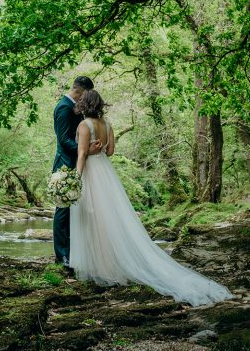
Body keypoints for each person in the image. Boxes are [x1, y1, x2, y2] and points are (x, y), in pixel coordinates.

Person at [70, 90, 233, 306]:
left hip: (91, 173)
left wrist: (74, 180)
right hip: (106, 174)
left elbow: (82, 155)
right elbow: (109, 152)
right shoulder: (107, 124)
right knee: (108, 218)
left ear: (84, 105)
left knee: (94, 218)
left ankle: (102, 268)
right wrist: (96, 150)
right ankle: (109, 266)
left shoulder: (84, 126)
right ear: (99, 105)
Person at [52, 76, 102, 269]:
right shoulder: (64, 107)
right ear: (80, 92)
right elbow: (64, 140)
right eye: (86, 95)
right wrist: (86, 149)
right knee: (63, 210)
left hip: (78, 163)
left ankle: (75, 252)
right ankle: (62, 256)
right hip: (65, 164)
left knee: (78, 209)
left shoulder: (73, 107)